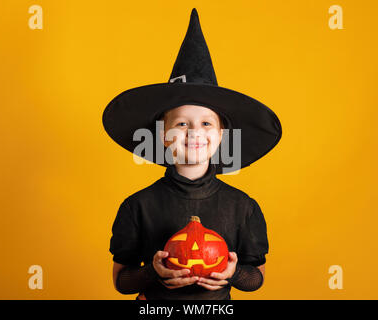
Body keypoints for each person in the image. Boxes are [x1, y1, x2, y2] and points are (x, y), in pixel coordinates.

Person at [102, 8, 282, 300]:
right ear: (164, 135)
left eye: (206, 123)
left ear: (221, 135)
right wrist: (152, 273)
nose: (194, 132)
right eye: (182, 123)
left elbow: (256, 278)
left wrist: (233, 273)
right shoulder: (138, 205)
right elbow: (122, 281)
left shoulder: (242, 206)